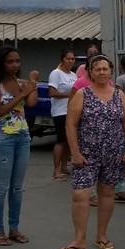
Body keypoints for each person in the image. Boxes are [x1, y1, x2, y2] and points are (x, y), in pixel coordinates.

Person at [58, 53, 125, 249]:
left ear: (110, 71)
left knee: (108, 193)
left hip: (113, 153)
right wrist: (74, 152)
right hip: (85, 154)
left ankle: (101, 235)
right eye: (97, 69)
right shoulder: (82, 94)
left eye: (105, 68)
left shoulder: (119, 95)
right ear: (90, 72)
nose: (101, 72)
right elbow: (71, 124)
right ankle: (79, 239)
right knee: (81, 194)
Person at [0, 45, 38, 247]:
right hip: (2, 139)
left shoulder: (21, 83)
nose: (15, 65)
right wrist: (22, 94)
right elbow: (0, 110)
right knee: (1, 187)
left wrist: (31, 84)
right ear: (1, 63)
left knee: (17, 187)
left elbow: (32, 103)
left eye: (17, 61)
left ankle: (14, 228)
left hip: (22, 137)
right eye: (10, 62)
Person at [48, 49, 77, 181]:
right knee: (60, 140)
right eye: (68, 58)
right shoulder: (56, 73)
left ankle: (65, 166)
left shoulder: (73, 75)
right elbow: (52, 92)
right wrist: (69, 95)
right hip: (60, 112)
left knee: (68, 141)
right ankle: (56, 170)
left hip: (71, 111)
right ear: (62, 60)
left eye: (72, 59)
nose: (70, 61)